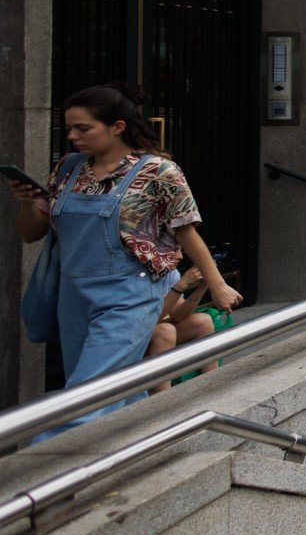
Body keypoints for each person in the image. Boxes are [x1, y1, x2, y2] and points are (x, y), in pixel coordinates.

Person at [9, 85, 240, 440]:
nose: (72, 137)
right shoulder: (69, 169)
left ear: (117, 127)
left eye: (83, 129)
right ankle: (127, 453)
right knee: (115, 387)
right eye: (69, 128)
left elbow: (187, 232)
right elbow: (31, 233)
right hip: (73, 295)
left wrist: (218, 283)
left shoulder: (159, 172)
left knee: (87, 391)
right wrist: (28, 203)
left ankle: (37, 473)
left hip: (128, 294)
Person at [145, 265, 231, 393]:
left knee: (203, 321)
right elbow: (149, 321)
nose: (179, 255)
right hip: (135, 336)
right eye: (174, 249)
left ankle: (215, 385)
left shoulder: (171, 273)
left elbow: (178, 315)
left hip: (158, 330)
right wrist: (181, 285)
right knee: (166, 330)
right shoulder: (138, 272)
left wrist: (203, 286)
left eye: (180, 249)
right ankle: (163, 399)